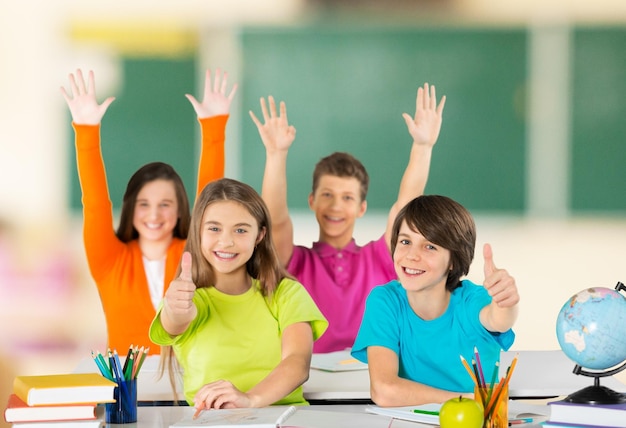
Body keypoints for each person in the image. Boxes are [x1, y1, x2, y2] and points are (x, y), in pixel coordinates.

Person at [249, 83, 445, 353]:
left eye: (347, 198)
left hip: (373, 381)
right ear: (312, 201)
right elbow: (276, 220)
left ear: (361, 208)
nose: (336, 207)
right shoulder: (296, 263)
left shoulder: (379, 258)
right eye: (327, 195)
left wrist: (423, 146)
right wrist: (276, 154)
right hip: (308, 381)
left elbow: (405, 207)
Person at [61, 68, 237, 354]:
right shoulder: (109, 260)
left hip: (190, 387)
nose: (154, 215)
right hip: (127, 389)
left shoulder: (191, 254)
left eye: (165, 205)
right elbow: (94, 203)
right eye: (144, 204)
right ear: (130, 209)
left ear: (180, 210)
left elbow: (211, 201)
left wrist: (213, 127)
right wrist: (86, 129)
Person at [149, 178, 328, 410]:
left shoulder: (286, 293)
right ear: (198, 232)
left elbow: (298, 362)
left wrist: (249, 399)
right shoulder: (189, 299)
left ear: (259, 236)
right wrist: (175, 309)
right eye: (214, 228)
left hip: (284, 419)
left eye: (241, 230)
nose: (226, 241)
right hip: (212, 423)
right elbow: (175, 321)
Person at [351, 194, 520, 406]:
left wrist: (507, 302)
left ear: (453, 260)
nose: (412, 255)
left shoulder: (471, 300)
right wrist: (466, 401)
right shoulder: (385, 301)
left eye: (430, 246)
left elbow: (499, 319)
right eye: (405, 241)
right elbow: (384, 391)